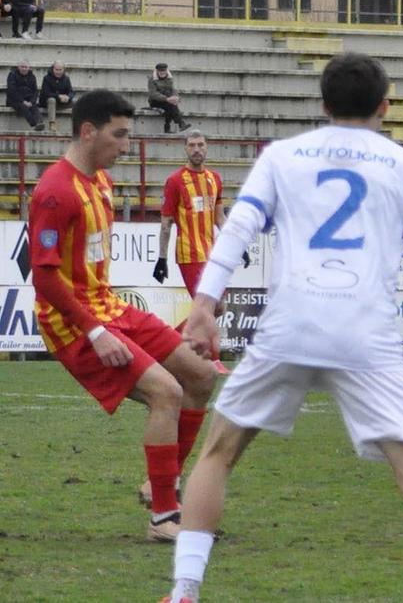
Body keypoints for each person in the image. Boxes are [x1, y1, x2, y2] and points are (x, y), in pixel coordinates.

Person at [163, 53, 403, 603]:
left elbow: (239, 226)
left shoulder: (283, 156)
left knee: (218, 452)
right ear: (385, 105)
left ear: (322, 104)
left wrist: (204, 305)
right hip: (366, 335)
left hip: (290, 325)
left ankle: (185, 590)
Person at [28, 89, 217, 542]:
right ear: (89, 131)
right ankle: (164, 519)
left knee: (201, 375)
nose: (126, 146)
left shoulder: (102, 182)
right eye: (120, 135)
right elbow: (45, 277)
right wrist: (95, 332)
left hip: (109, 307)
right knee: (166, 393)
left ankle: (160, 484)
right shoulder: (55, 191)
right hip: (71, 323)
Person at [153, 129, 249, 375]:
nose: (196, 149)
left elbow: (219, 217)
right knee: (209, 307)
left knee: (218, 308)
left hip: (211, 255)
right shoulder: (176, 181)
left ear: (207, 147)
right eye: (192, 145)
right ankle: (212, 359)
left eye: (200, 145)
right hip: (189, 255)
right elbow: (166, 222)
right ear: (185, 149)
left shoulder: (214, 179)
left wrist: (237, 244)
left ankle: (163, 346)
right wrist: (162, 258)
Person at [148, 63, 191, 134]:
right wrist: (167, 99)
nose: (162, 72)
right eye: (160, 71)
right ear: (157, 71)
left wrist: (176, 97)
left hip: (167, 101)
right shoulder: (152, 79)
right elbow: (153, 94)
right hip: (155, 101)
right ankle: (180, 123)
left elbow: (173, 90)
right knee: (170, 104)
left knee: (170, 104)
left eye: (163, 71)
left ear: (166, 70)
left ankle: (170, 127)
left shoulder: (169, 77)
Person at [7, 59, 44, 131]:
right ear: (18, 67)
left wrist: (32, 101)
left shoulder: (32, 76)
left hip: (28, 99)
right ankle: (34, 123)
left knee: (34, 106)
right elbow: (12, 91)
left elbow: (35, 91)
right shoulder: (12, 75)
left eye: (25, 67)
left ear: (29, 68)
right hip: (15, 100)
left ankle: (40, 123)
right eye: (22, 67)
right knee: (24, 107)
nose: (24, 69)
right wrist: (23, 101)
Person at [39, 60, 75, 133]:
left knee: (77, 104)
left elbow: (71, 91)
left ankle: (77, 125)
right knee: (52, 100)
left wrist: (68, 97)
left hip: (60, 102)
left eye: (60, 70)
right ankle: (52, 123)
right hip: (47, 102)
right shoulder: (46, 78)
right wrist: (58, 96)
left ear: (63, 69)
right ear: (53, 69)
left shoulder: (66, 78)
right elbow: (46, 93)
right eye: (56, 70)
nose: (58, 72)